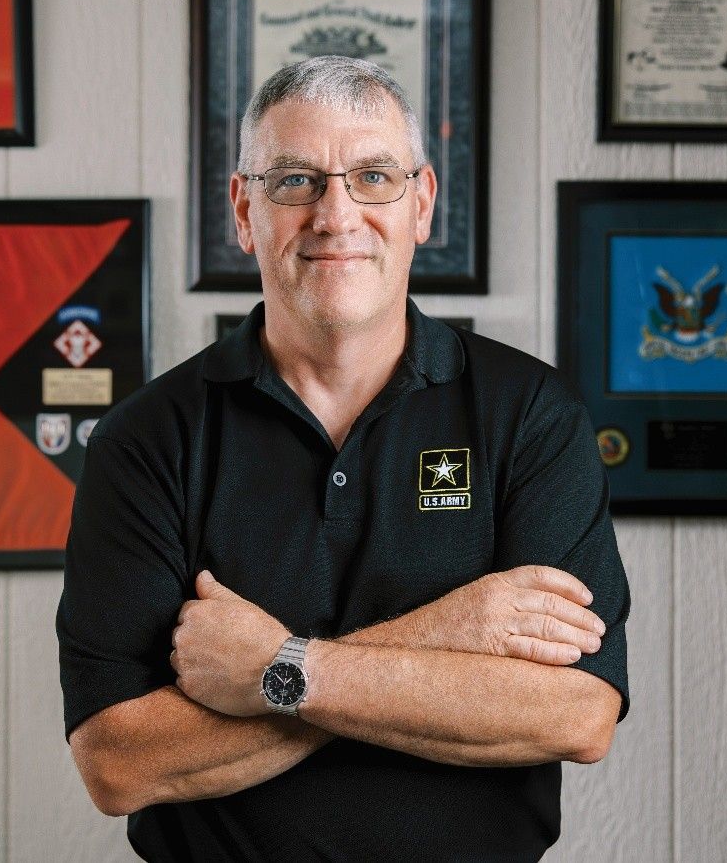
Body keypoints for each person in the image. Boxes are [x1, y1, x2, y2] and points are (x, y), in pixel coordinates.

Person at [57, 56, 630, 862]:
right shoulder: (146, 443)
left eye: (372, 176)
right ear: (244, 209)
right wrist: (452, 633)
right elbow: (119, 763)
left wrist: (278, 666)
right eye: (295, 180)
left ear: (421, 203)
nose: (336, 214)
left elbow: (573, 715)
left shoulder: (530, 415)